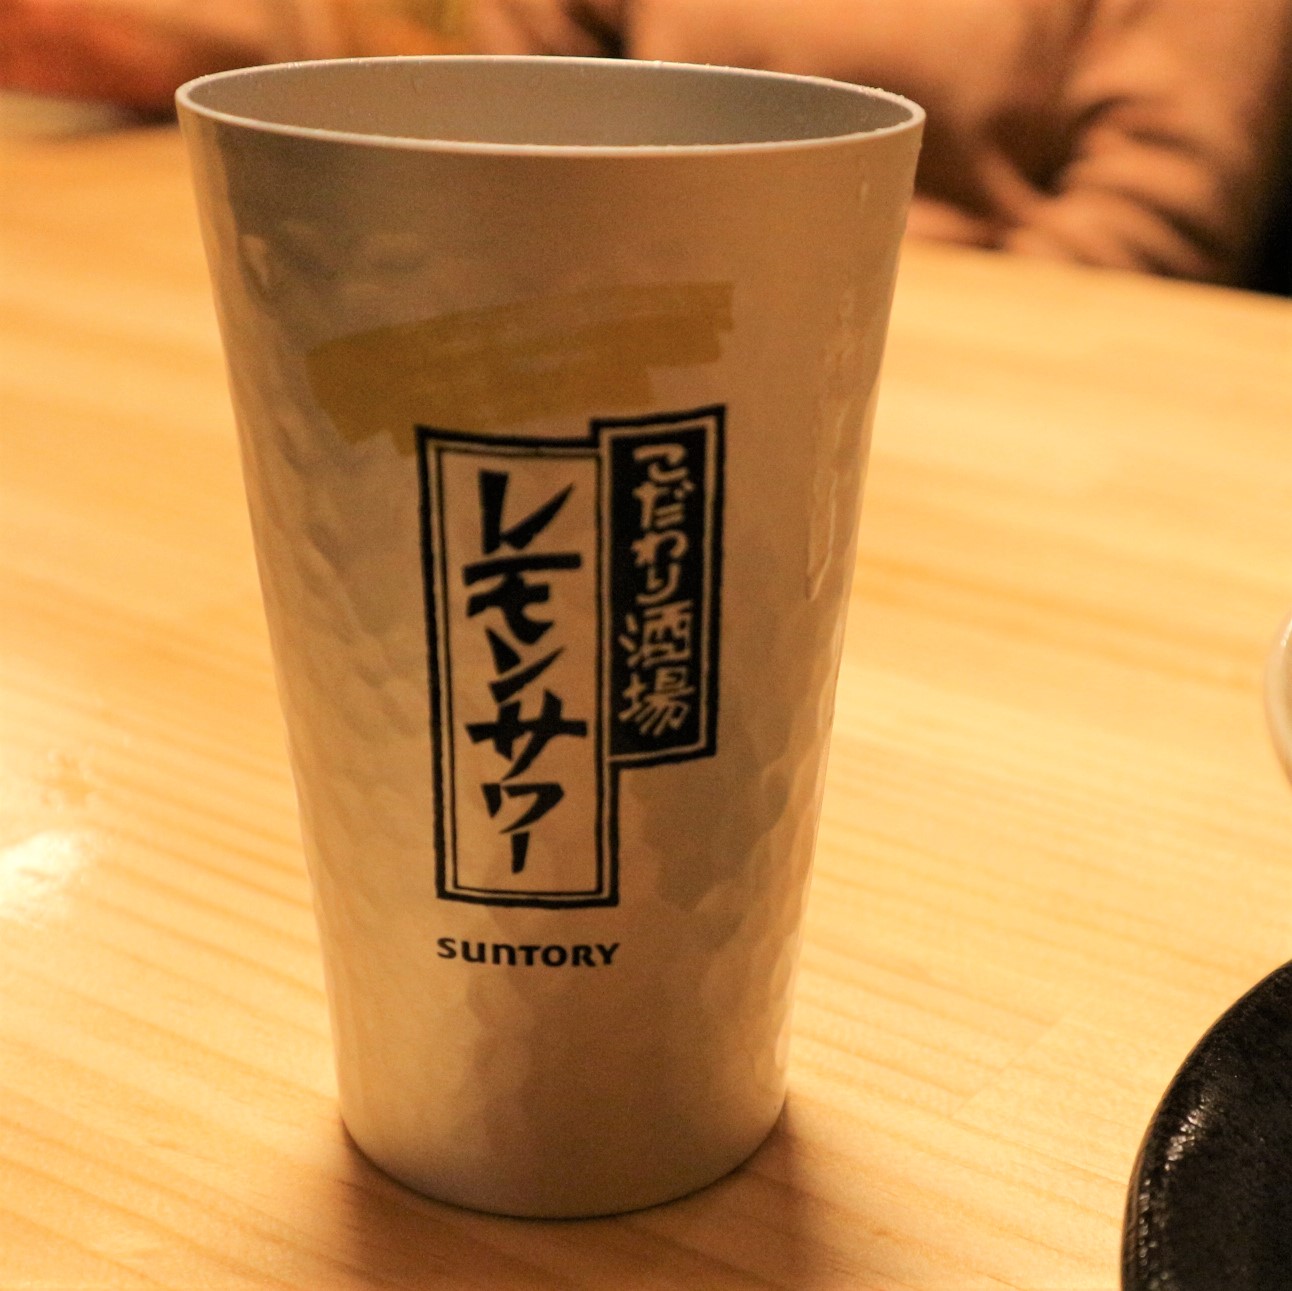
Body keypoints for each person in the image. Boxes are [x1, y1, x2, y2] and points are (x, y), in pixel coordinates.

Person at [4, 0, 1290, 285]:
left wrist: (831, 348)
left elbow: (1151, 220)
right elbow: (507, 90)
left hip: (969, 389)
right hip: (626, 329)